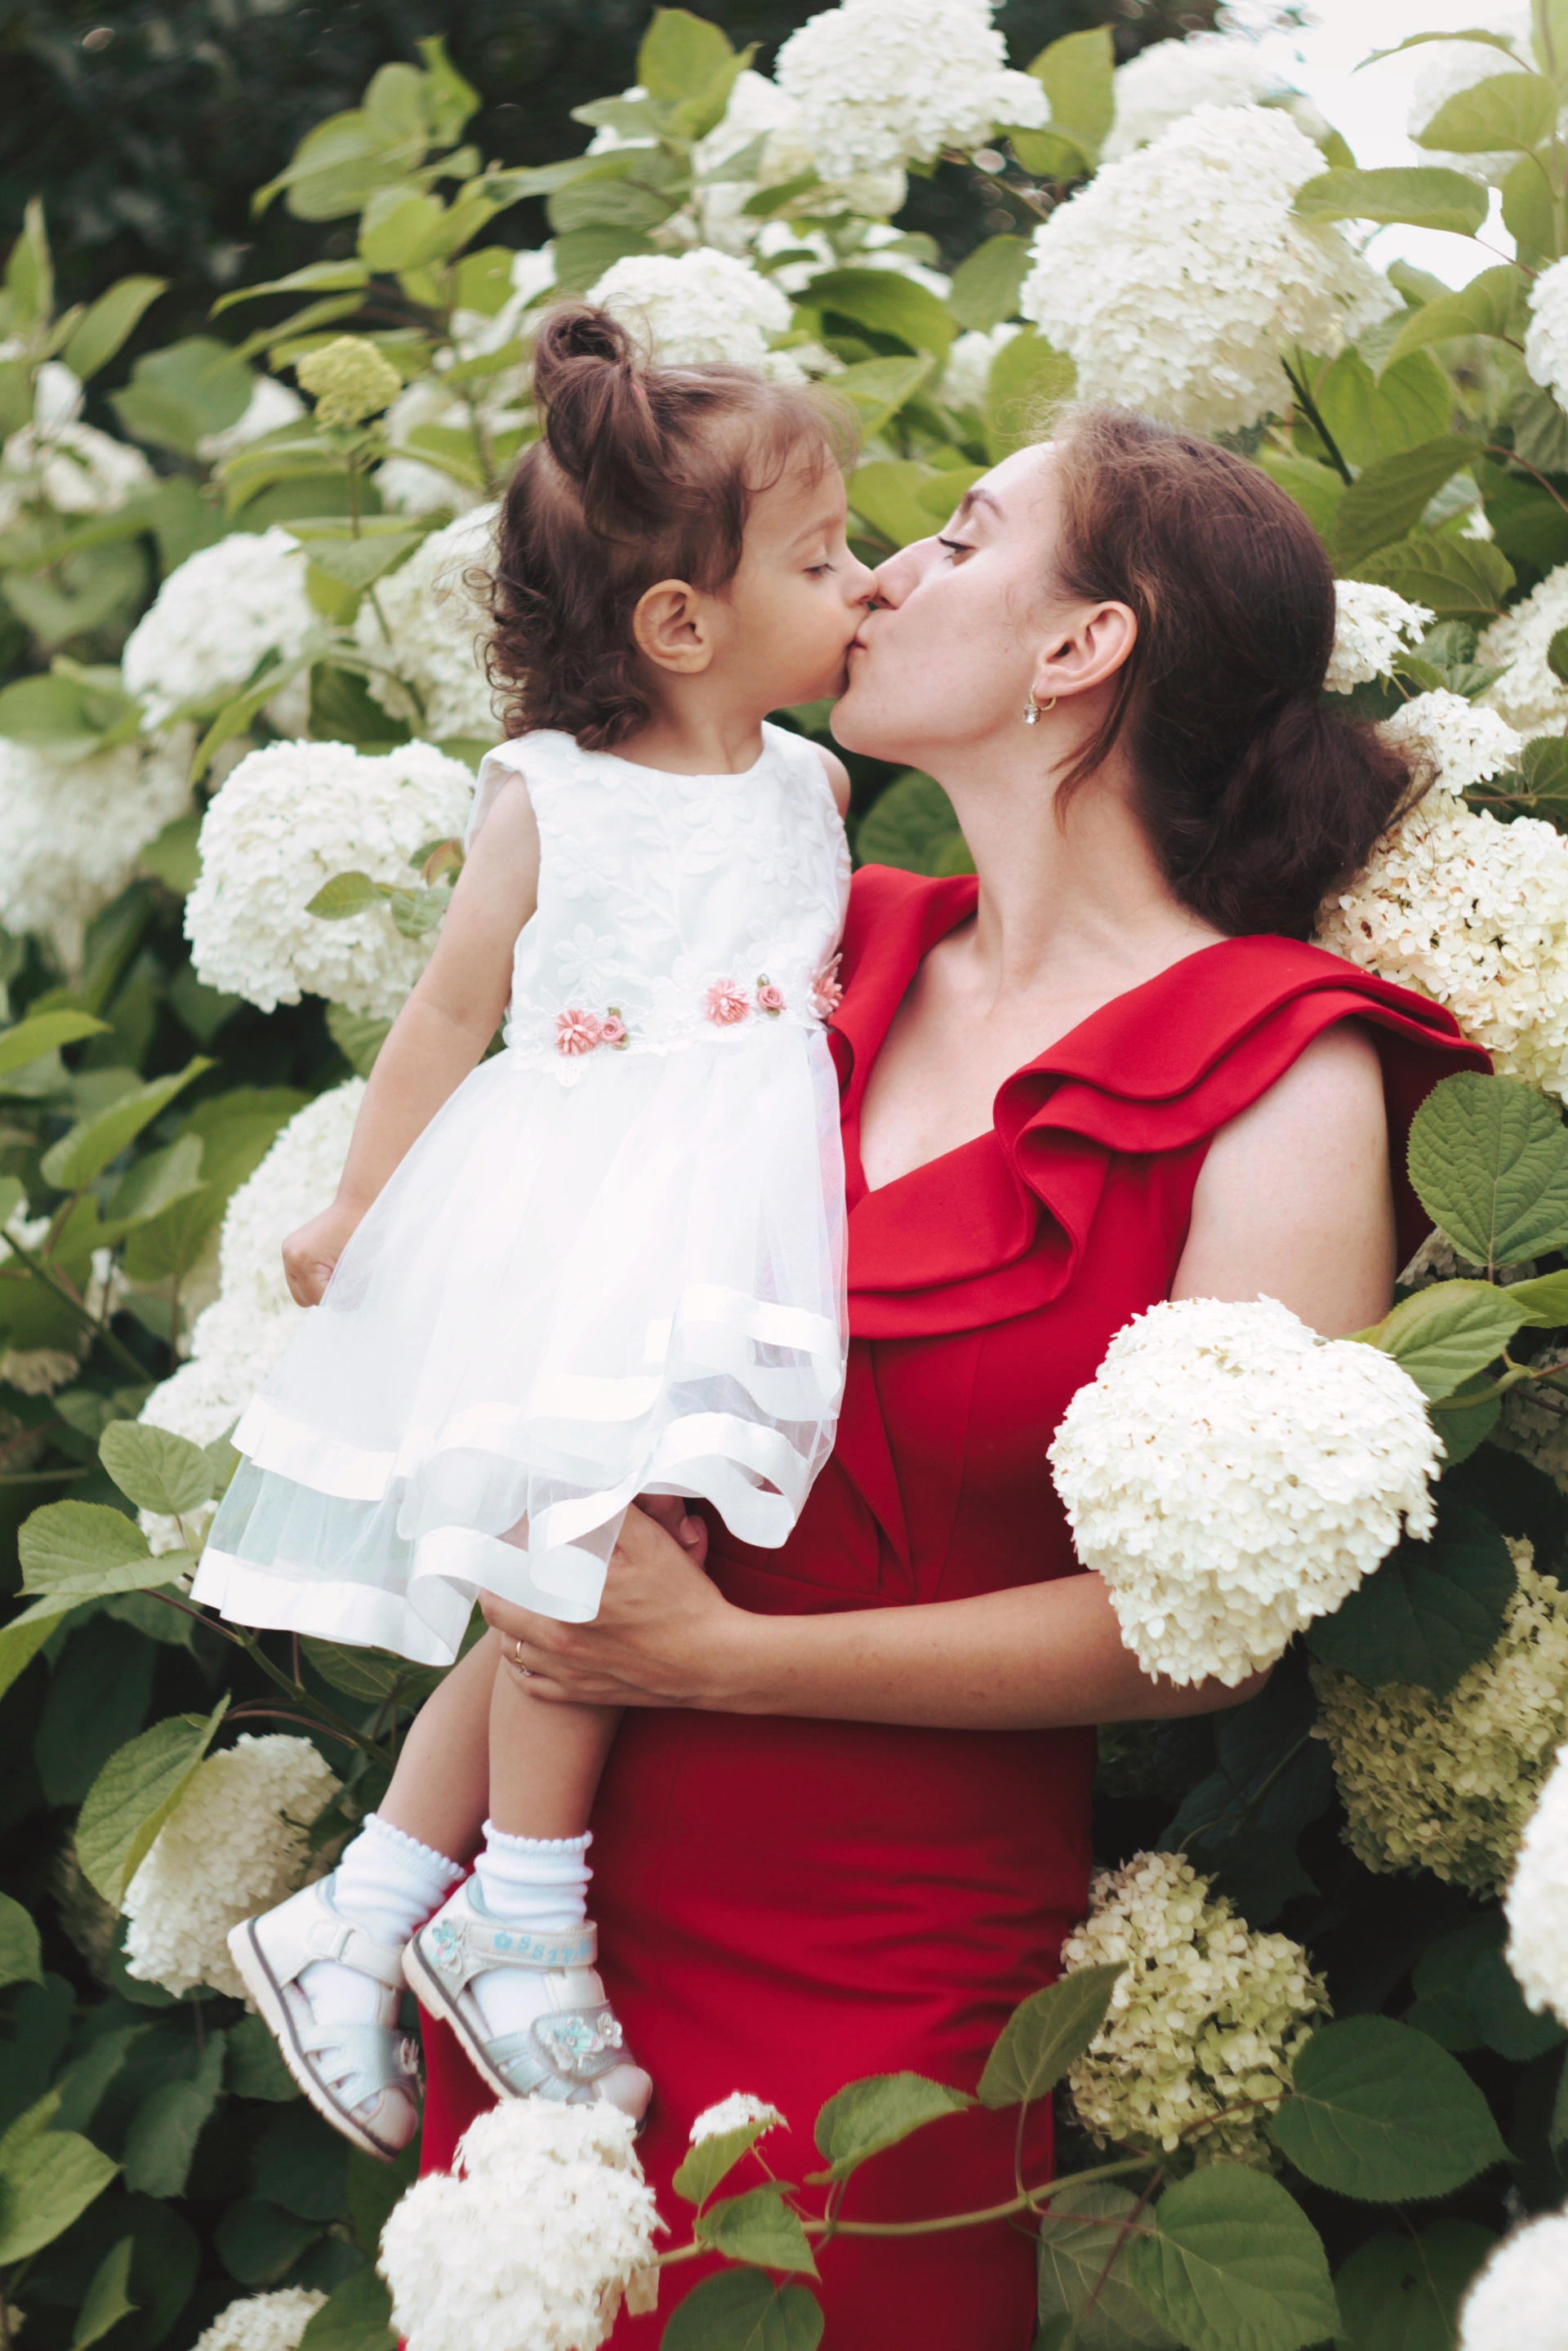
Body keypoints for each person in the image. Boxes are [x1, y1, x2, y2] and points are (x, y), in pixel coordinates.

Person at [432, 406, 1490, 2346]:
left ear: (1082, 645)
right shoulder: (808, 951)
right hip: (547, 1935)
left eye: (964, 537)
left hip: (891, 1977)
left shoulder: (1288, 1074)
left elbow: (1208, 1634)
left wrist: (722, 1663)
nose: (883, 577)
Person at [189, 308, 876, 2157]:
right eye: (825, 560)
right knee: (577, 1556)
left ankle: (362, 1914)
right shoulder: (553, 794)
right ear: (683, 625)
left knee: (585, 1562)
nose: (866, 587)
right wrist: (362, 1200)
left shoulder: (813, 787)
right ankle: (526, 1916)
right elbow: (446, 1010)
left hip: (737, 1218)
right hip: (583, 1209)